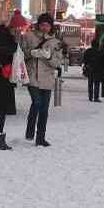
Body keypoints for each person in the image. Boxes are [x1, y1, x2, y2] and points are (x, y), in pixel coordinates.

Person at [22, 14, 64, 146]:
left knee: (44, 109)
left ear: (51, 26)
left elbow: (58, 62)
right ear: (38, 25)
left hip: (47, 78)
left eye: (47, 25)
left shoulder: (55, 42)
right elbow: (20, 54)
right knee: (37, 102)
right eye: (42, 24)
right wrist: (31, 53)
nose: (45, 27)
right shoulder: (28, 37)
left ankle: (40, 137)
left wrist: (49, 57)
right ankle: (30, 130)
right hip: (32, 75)